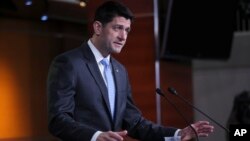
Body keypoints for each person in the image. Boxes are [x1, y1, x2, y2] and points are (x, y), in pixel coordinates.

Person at [47, 1, 214, 141]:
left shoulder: (120, 70)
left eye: (127, 30)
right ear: (98, 27)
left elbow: (134, 123)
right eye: (117, 28)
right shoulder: (68, 63)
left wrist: (178, 134)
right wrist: (96, 136)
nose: (123, 36)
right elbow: (58, 120)